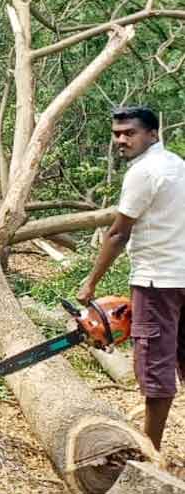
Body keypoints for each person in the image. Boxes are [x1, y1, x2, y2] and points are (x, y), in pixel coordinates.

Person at [77, 105, 185, 451]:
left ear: (153, 134)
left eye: (129, 133)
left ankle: (148, 457)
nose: (121, 140)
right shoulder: (178, 166)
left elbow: (118, 234)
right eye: (116, 134)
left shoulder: (144, 172)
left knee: (154, 370)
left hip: (157, 283)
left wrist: (90, 282)